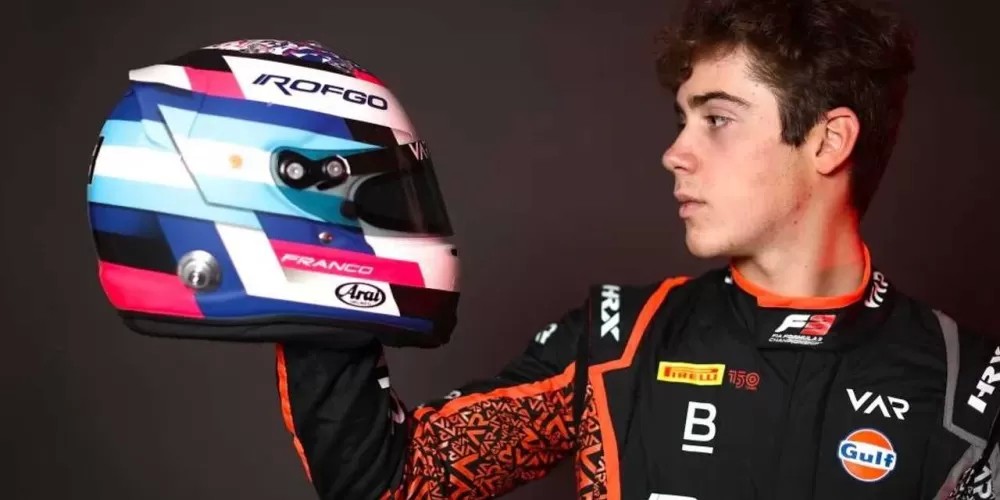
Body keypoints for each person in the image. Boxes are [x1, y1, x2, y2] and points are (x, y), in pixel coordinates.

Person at [83, 3, 999, 500]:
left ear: (829, 141)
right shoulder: (620, 337)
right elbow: (397, 485)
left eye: (716, 119)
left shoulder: (972, 395)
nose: (674, 152)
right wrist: (318, 273)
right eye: (681, 118)